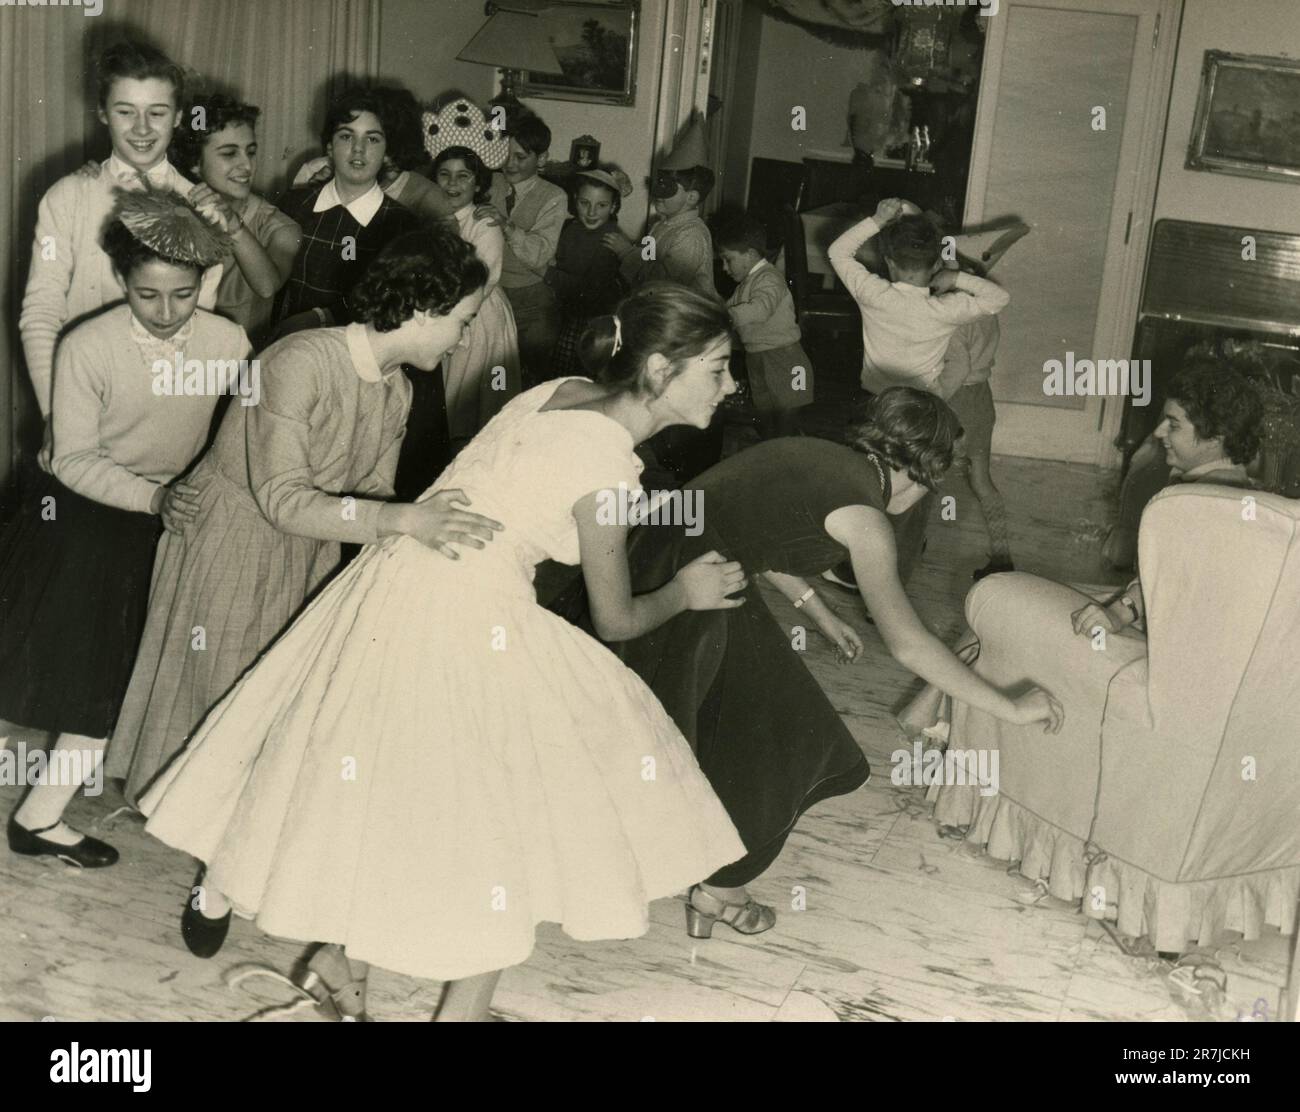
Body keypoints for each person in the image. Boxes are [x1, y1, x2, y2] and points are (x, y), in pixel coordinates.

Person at [137, 282, 749, 1022]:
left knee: (398, 793)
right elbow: (616, 618)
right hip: (463, 618)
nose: (731, 385)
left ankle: (338, 969)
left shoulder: (561, 392)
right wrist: (687, 591)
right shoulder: (610, 469)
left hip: (393, 590)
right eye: (716, 368)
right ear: (658, 370)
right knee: (494, 827)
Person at [553, 387, 1063, 935]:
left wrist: (817, 611)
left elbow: (746, 530)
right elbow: (908, 642)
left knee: (755, 729)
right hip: (677, 599)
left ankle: (716, 886)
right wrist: (1010, 706)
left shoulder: (814, 454)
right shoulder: (865, 518)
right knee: (785, 737)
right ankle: (713, 888)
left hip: (668, 570)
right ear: (923, 471)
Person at [108, 228, 503, 811]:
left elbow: (370, 489)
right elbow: (283, 500)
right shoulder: (300, 361)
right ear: (424, 309)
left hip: (306, 546)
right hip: (233, 541)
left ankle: (226, 826)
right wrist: (401, 521)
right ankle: (188, 825)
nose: (464, 338)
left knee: (267, 695)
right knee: (213, 687)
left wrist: (424, 536)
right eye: (463, 321)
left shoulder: (397, 388)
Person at [2, 191, 245, 867]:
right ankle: (38, 817)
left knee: (117, 678)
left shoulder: (229, 342)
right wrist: (156, 499)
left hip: (160, 513)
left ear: (204, 283)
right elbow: (74, 458)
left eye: (183, 295)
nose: (166, 314)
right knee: (60, 671)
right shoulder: (87, 346)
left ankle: (40, 816)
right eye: (147, 296)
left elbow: (234, 436)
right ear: (121, 282)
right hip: (79, 513)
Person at [18, 40, 221, 469]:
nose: (142, 128)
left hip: (168, 427)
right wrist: (56, 415)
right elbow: (41, 312)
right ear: (103, 113)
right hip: (80, 412)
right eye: (126, 111)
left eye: (158, 112)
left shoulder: (203, 208)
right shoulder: (68, 196)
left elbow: (195, 327)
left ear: (179, 116)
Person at [822, 197, 1009, 596]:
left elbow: (838, 251)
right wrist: (955, 280)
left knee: (865, 485)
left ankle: (851, 563)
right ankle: (889, 589)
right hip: (921, 416)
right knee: (909, 504)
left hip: (877, 409)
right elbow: (997, 300)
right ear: (934, 266)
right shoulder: (945, 309)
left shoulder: (874, 293)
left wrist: (876, 219)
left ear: (889, 261)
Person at [1073, 359, 1261, 639]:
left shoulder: (1185, 503)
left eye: (1173, 425)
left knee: (1002, 593)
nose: (1159, 432)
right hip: (1204, 638)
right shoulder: (1248, 494)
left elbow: (1170, 582)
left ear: (1214, 438)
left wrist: (1116, 614)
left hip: (1163, 648)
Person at [273, 86, 421, 333]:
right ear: (330, 146)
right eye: (346, 136)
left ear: (387, 153)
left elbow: (396, 309)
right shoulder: (293, 205)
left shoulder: (402, 226)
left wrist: (321, 317)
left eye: (372, 139)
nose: (358, 149)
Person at [167, 94, 302, 348]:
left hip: (240, 365)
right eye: (229, 154)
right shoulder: (177, 207)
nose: (246, 165)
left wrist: (231, 221)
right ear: (195, 163)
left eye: (250, 152)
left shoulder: (281, 227)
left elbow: (266, 286)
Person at [426, 103, 522, 446]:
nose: (453, 184)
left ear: (477, 182)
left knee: (470, 399)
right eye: (444, 174)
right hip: (442, 311)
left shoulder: (484, 223)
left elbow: (483, 279)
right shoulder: (430, 215)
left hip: (477, 316)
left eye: (463, 176)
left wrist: (457, 325)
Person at [479, 112, 566, 387]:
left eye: (520, 156)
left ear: (541, 159)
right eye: (505, 155)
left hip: (533, 302)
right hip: (491, 293)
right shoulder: (490, 183)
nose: (510, 164)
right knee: (490, 377)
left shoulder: (554, 196)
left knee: (531, 378)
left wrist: (506, 225)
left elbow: (539, 253)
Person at [717, 214, 813, 439]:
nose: (724, 267)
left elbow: (760, 308)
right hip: (759, 356)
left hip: (783, 357)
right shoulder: (747, 283)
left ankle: (790, 449)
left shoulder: (768, 278)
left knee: (786, 415)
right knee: (765, 415)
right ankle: (774, 448)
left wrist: (726, 316)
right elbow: (727, 307)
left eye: (728, 259)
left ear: (749, 254)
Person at [604, 115, 718, 303]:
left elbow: (665, 283)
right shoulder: (659, 226)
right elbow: (646, 259)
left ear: (691, 197)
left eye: (668, 188)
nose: (657, 193)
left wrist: (626, 253)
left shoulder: (692, 235)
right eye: (658, 185)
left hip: (689, 315)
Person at [546, 165, 632, 377]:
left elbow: (586, 288)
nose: (592, 212)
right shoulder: (570, 228)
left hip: (593, 320)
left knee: (577, 373)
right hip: (567, 313)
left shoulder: (610, 238)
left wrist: (546, 273)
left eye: (601, 205)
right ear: (575, 200)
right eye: (585, 203)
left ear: (613, 207)